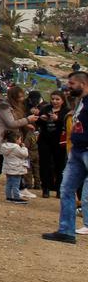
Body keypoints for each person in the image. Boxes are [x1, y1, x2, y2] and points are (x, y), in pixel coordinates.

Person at [42, 70, 88, 243]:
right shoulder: (80, 102)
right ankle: (66, 231)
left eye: (72, 84)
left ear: (82, 84)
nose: (68, 87)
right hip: (77, 150)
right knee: (66, 189)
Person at [0, 85, 32, 197]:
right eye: (20, 97)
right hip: (3, 139)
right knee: (3, 164)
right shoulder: (4, 108)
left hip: (11, 138)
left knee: (15, 163)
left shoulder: (13, 107)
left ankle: (21, 188)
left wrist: (27, 124)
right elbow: (11, 123)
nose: (22, 99)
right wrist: (27, 120)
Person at [36, 91, 68, 198]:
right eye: (53, 99)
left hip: (59, 141)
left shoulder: (66, 111)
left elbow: (68, 125)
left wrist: (58, 120)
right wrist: (41, 119)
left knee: (60, 165)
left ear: (62, 100)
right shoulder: (46, 108)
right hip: (45, 140)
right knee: (44, 164)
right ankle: (46, 187)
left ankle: (59, 188)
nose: (54, 101)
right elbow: (37, 122)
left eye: (57, 99)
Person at [0, 129, 31, 205]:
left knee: (9, 183)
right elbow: (24, 154)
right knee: (16, 184)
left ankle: (9, 196)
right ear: (16, 139)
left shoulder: (4, 146)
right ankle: (16, 197)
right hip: (16, 168)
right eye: (19, 139)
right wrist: (24, 147)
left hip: (8, 168)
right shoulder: (16, 147)